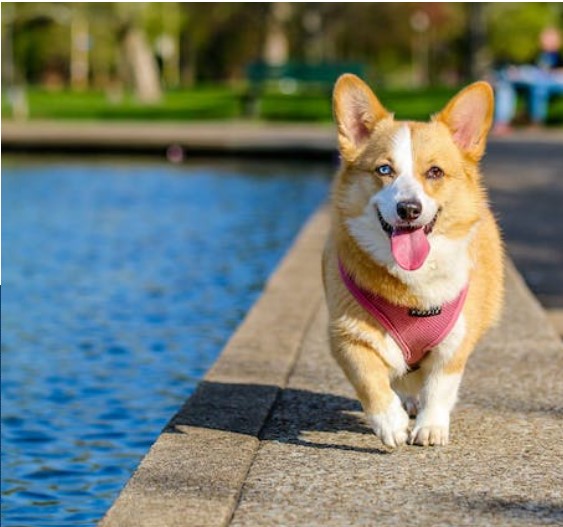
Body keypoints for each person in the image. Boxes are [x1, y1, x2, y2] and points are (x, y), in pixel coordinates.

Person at [493, 27, 563, 134]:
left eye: (549, 38)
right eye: (544, 38)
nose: (545, 41)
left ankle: (535, 120)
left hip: (551, 81)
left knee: (538, 86)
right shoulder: (537, 53)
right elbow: (532, 65)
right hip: (535, 79)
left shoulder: (558, 55)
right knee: (505, 85)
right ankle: (501, 123)